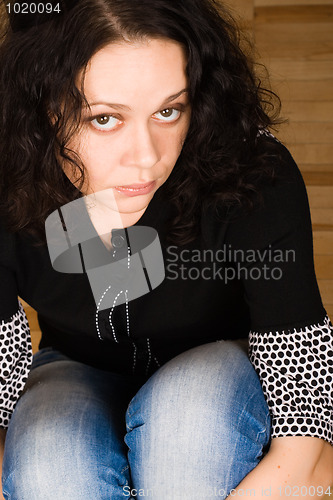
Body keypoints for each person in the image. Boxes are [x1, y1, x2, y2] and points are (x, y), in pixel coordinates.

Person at [0, 0, 332, 498]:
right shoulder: (7, 179)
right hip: (76, 366)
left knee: (187, 429)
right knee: (50, 469)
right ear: (43, 111)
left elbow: (307, 458)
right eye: (106, 119)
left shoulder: (253, 171)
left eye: (168, 110)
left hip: (219, 371)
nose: (147, 158)